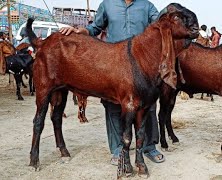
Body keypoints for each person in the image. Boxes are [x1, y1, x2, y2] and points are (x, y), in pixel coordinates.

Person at [60, 0, 165, 165]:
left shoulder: (146, 6)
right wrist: (80, 31)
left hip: (142, 65)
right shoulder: (108, 4)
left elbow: (160, 24)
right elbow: (96, 27)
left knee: (148, 107)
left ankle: (149, 146)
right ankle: (117, 149)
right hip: (114, 65)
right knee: (113, 107)